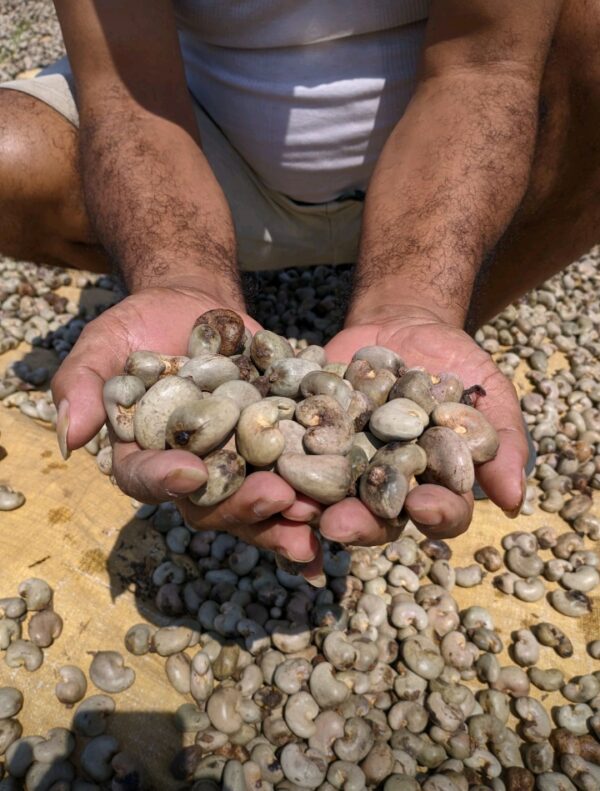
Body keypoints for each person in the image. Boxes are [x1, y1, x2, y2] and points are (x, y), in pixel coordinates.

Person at [0, 1, 598, 581]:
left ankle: (445, 303)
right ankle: (224, 269)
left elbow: (483, 70)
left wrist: (415, 297)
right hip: (205, 146)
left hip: (441, 170)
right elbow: (130, 93)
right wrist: (180, 276)